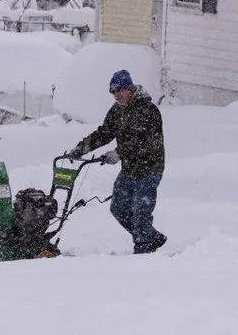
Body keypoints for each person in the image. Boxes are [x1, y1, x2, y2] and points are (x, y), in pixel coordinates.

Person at [63, 69, 167, 254]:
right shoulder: (118, 110)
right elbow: (104, 133)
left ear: (130, 88)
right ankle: (150, 237)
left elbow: (144, 142)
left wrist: (119, 153)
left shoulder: (147, 110)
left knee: (141, 213)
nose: (116, 95)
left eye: (119, 90)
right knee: (119, 208)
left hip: (149, 168)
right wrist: (81, 148)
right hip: (129, 168)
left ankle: (142, 252)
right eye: (113, 92)